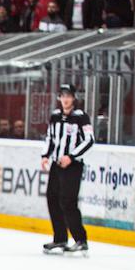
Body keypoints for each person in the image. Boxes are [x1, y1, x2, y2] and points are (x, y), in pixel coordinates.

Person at [41, 84, 93, 255]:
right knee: (52, 198)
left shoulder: (81, 117)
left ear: (74, 98)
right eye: (62, 96)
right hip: (57, 165)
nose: (65, 99)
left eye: (68, 96)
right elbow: (50, 137)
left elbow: (89, 140)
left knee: (68, 201)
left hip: (73, 166)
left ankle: (80, 239)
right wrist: (45, 155)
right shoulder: (55, 116)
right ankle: (60, 238)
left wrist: (70, 156)